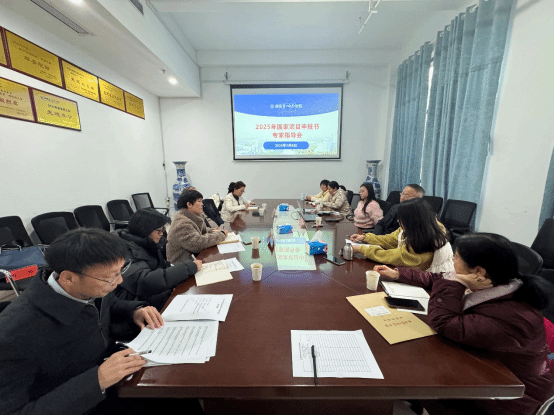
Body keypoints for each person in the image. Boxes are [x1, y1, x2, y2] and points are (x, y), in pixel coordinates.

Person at [375, 233, 554, 415]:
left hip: (508, 398)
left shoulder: (512, 317)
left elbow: (443, 322)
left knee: (417, 367)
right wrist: (399, 274)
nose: (452, 260)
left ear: (479, 272)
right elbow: (437, 279)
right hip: (482, 369)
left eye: (456, 257)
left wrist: (456, 282)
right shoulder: (492, 283)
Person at [0, 228, 164, 414]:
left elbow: (109, 305)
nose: (119, 281)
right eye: (110, 277)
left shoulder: (90, 287)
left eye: (121, 271)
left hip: (113, 377)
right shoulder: (14, 335)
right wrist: (97, 380)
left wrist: (134, 311)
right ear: (69, 278)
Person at [113, 209, 202, 311]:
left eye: (162, 229)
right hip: (136, 304)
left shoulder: (149, 243)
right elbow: (144, 282)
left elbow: (164, 266)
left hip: (152, 293)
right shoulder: (123, 250)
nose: (161, 234)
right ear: (144, 230)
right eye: (158, 230)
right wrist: (187, 268)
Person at [350, 198, 453, 272]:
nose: (398, 221)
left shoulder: (426, 240)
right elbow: (390, 240)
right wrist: (366, 237)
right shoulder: (415, 228)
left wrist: (362, 249)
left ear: (413, 220)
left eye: (402, 219)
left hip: (432, 284)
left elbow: (395, 256)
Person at [167, 189, 227, 263]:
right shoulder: (182, 223)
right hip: (183, 263)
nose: (202, 204)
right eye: (199, 201)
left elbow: (200, 230)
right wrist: (221, 234)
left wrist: (213, 231)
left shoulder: (193, 216)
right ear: (189, 204)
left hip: (194, 258)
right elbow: (198, 243)